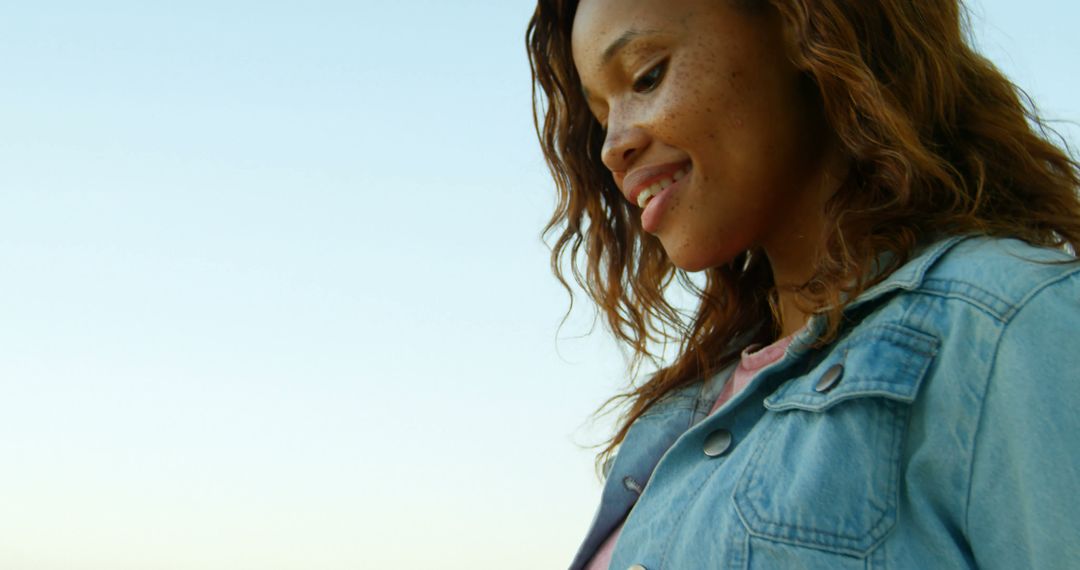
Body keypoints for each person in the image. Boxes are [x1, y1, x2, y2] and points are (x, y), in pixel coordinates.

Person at [526, 0, 1080, 568]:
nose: (612, 146)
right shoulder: (685, 418)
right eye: (600, 118)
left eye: (647, 76)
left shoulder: (1008, 328)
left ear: (799, 23)